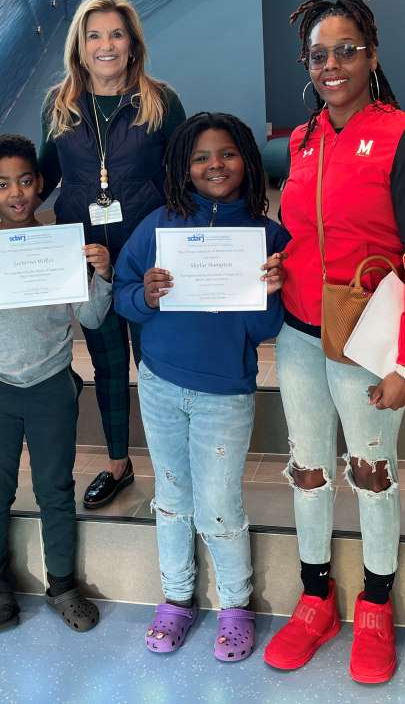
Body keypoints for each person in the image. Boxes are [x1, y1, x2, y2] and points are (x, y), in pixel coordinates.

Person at [263, 0, 405, 685]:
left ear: (371, 55)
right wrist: (275, 266)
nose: (332, 64)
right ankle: (316, 598)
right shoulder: (301, 141)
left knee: (371, 475)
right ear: (305, 63)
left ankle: (374, 605)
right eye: (319, 54)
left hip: (366, 344)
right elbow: (298, 232)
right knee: (308, 472)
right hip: (300, 338)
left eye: (346, 50)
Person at [113, 112, 288, 663]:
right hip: (161, 384)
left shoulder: (267, 235)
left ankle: (236, 604)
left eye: (228, 154)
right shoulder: (157, 227)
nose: (215, 165)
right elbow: (123, 298)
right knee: (171, 496)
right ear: (183, 167)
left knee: (217, 502)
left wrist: (272, 291)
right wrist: (148, 295)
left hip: (225, 394)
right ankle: (177, 598)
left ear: (247, 162)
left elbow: (265, 330)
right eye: (201, 157)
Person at [0, 134, 111, 633]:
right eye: (2, 184)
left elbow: (92, 317)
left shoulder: (63, 239)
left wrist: (101, 275)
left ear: (39, 184)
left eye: (24, 181)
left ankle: (62, 584)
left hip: (50, 383)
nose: (15, 193)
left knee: (55, 488)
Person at [39, 0, 186, 509]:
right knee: (106, 363)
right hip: (88, 262)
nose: (106, 45)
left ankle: (171, 466)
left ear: (132, 44)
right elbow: (42, 177)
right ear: (79, 47)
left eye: (116, 35)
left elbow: (183, 176)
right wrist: (4, 219)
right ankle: (118, 463)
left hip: (148, 258)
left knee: (157, 362)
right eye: (94, 35)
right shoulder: (57, 105)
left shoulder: (160, 101)